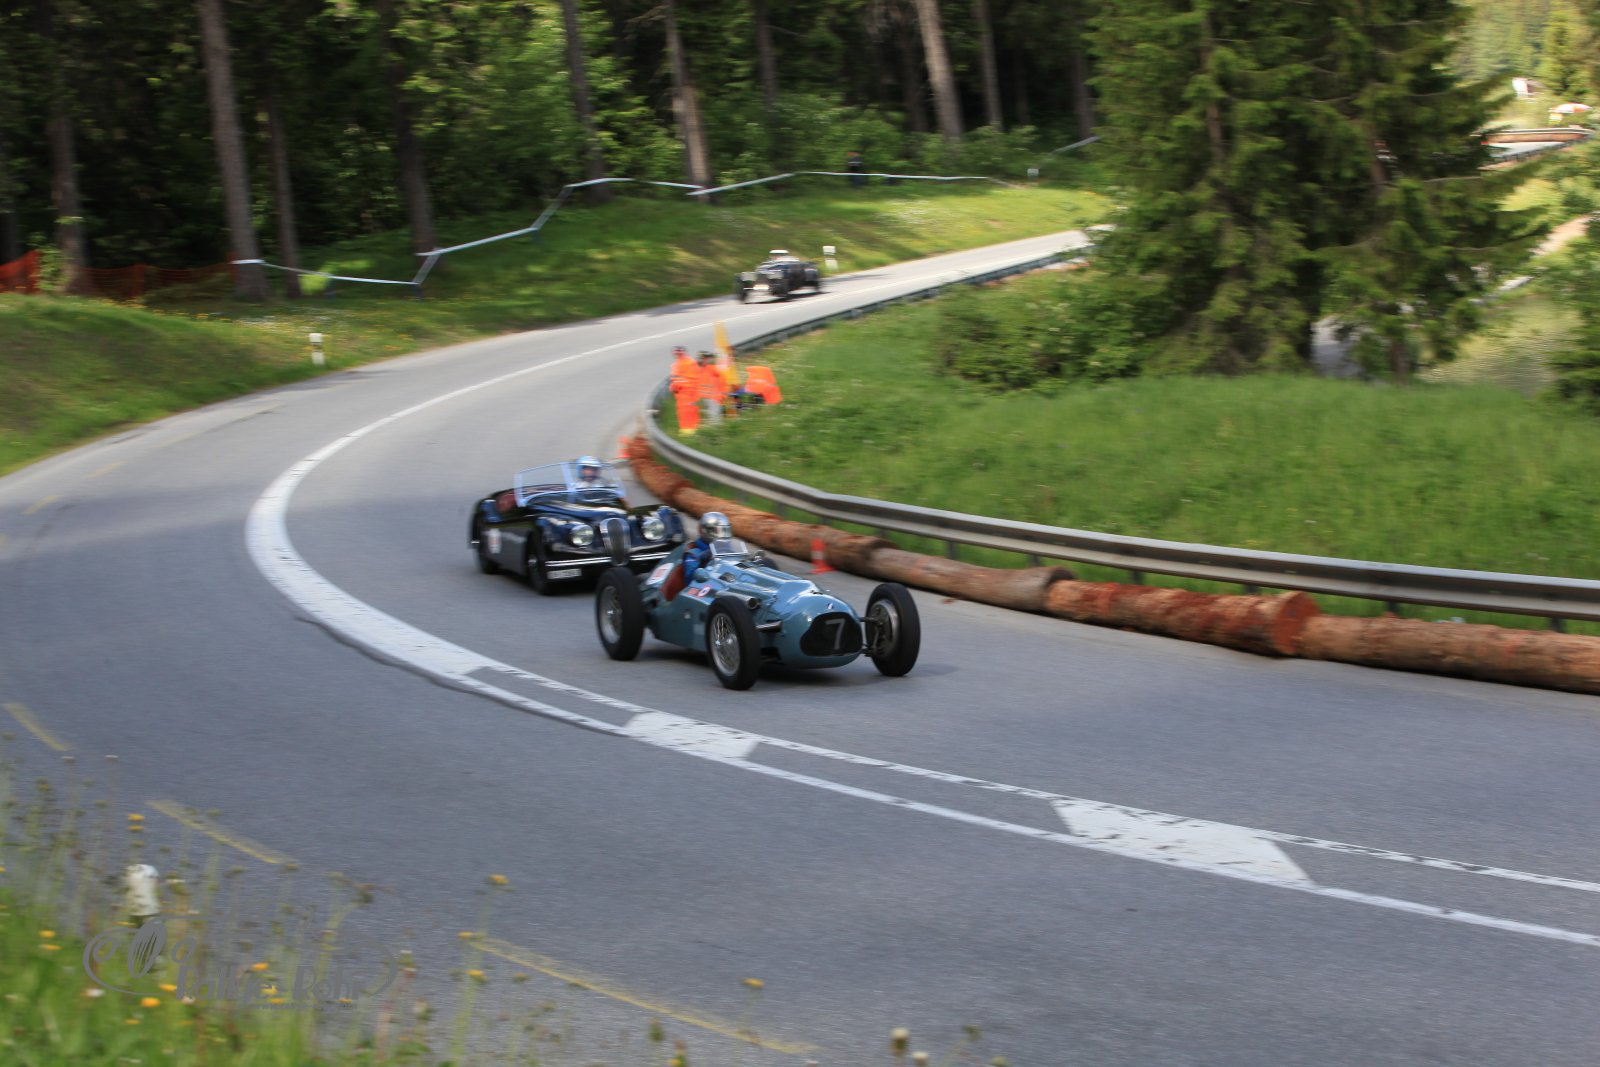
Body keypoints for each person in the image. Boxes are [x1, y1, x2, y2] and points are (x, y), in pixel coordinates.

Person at [662, 511, 731, 601]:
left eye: (724, 531)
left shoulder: (726, 551)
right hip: (697, 595)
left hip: (723, 587)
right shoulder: (693, 554)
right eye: (717, 532)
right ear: (704, 531)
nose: (722, 536)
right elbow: (691, 580)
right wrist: (705, 560)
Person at [670, 346, 700, 433]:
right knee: (684, 414)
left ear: (684, 353)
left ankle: (690, 432)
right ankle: (687, 432)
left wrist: (675, 386)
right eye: (676, 353)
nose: (677, 354)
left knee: (689, 414)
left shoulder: (689, 363)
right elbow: (676, 379)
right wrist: (673, 386)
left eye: (679, 352)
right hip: (681, 395)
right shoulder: (676, 365)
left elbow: (691, 380)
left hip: (688, 393)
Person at [696, 351, 726, 425]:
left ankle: (716, 430)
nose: (704, 360)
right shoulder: (696, 370)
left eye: (706, 358)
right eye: (702, 358)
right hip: (702, 399)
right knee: (704, 420)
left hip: (713, 398)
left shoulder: (713, 369)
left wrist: (722, 395)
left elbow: (723, 382)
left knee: (714, 421)